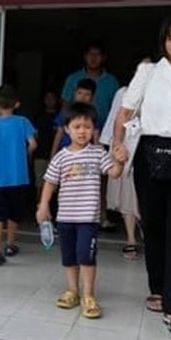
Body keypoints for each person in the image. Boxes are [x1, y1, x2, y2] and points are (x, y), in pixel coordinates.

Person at [112, 13, 171, 337]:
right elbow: (125, 111)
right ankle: (158, 287)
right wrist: (118, 145)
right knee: (152, 225)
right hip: (150, 154)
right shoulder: (149, 72)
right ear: (164, 42)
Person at [36, 102, 123, 319]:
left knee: (86, 256)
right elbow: (49, 182)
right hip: (65, 217)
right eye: (77, 126)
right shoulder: (61, 157)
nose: (82, 131)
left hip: (87, 219)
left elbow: (113, 173)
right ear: (67, 129)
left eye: (87, 126)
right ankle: (72, 291)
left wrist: (120, 162)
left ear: (94, 129)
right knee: (69, 257)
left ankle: (88, 295)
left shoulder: (97, 153)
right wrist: (43, 205)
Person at [60, 41, 120, 230]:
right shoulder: (73, 79)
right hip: (75, 136)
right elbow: (65, 106)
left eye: (97, 54)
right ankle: (67, 217)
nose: (93, 58)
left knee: (100, 179)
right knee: (72, 178)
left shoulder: (112, 81)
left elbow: (117, 110)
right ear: (85, 56)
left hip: (103, 135)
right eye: (90, 54)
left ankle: (101, 216)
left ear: (103, 58)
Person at [0, 84, 37, 266]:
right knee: (15, 213)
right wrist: (24, 155)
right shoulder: (23, 122)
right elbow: (33, 144)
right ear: (17, 104)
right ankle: (11, 245)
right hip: (19, 177)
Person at [100, 57, 149, 261]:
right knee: (128, 195)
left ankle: (149, 236)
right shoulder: (123, 92)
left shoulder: (162, 92)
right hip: (127, 147)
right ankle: (131, 239)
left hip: (150, 148)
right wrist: (112, 146)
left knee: (148, 196)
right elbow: (114, 118)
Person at [50, 78, 96, 157]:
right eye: (80, 93)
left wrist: (98, 154)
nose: (83, 97)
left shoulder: (92, 114)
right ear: (75, 93)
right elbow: (59, 133)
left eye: (87, 94)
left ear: (92, 97)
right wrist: (53, 153)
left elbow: (96, 135)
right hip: (65, 150)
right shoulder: (66, 111)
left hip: (85, 153)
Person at [31, 90, 60, 202]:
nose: (49, 100)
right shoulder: (38, 116)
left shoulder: (61, 116)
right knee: (39, 183)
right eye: (47, 97)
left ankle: (52, 211)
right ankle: (39, 207)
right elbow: (34, 135)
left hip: (57, 154)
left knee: (55, 185)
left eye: (52, 97)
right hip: (40, 153)